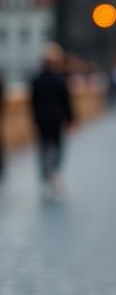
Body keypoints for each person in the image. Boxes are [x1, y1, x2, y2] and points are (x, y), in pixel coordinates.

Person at [30, 42, 74, 199]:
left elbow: (33, 101)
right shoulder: (60, 78)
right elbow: (66, 101)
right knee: (58, 147)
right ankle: (54, 172)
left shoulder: (36, 79)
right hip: (56, 118)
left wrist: (34, 118)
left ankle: (45, 176)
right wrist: (70, 119)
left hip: (41, 118)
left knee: (43, 147)